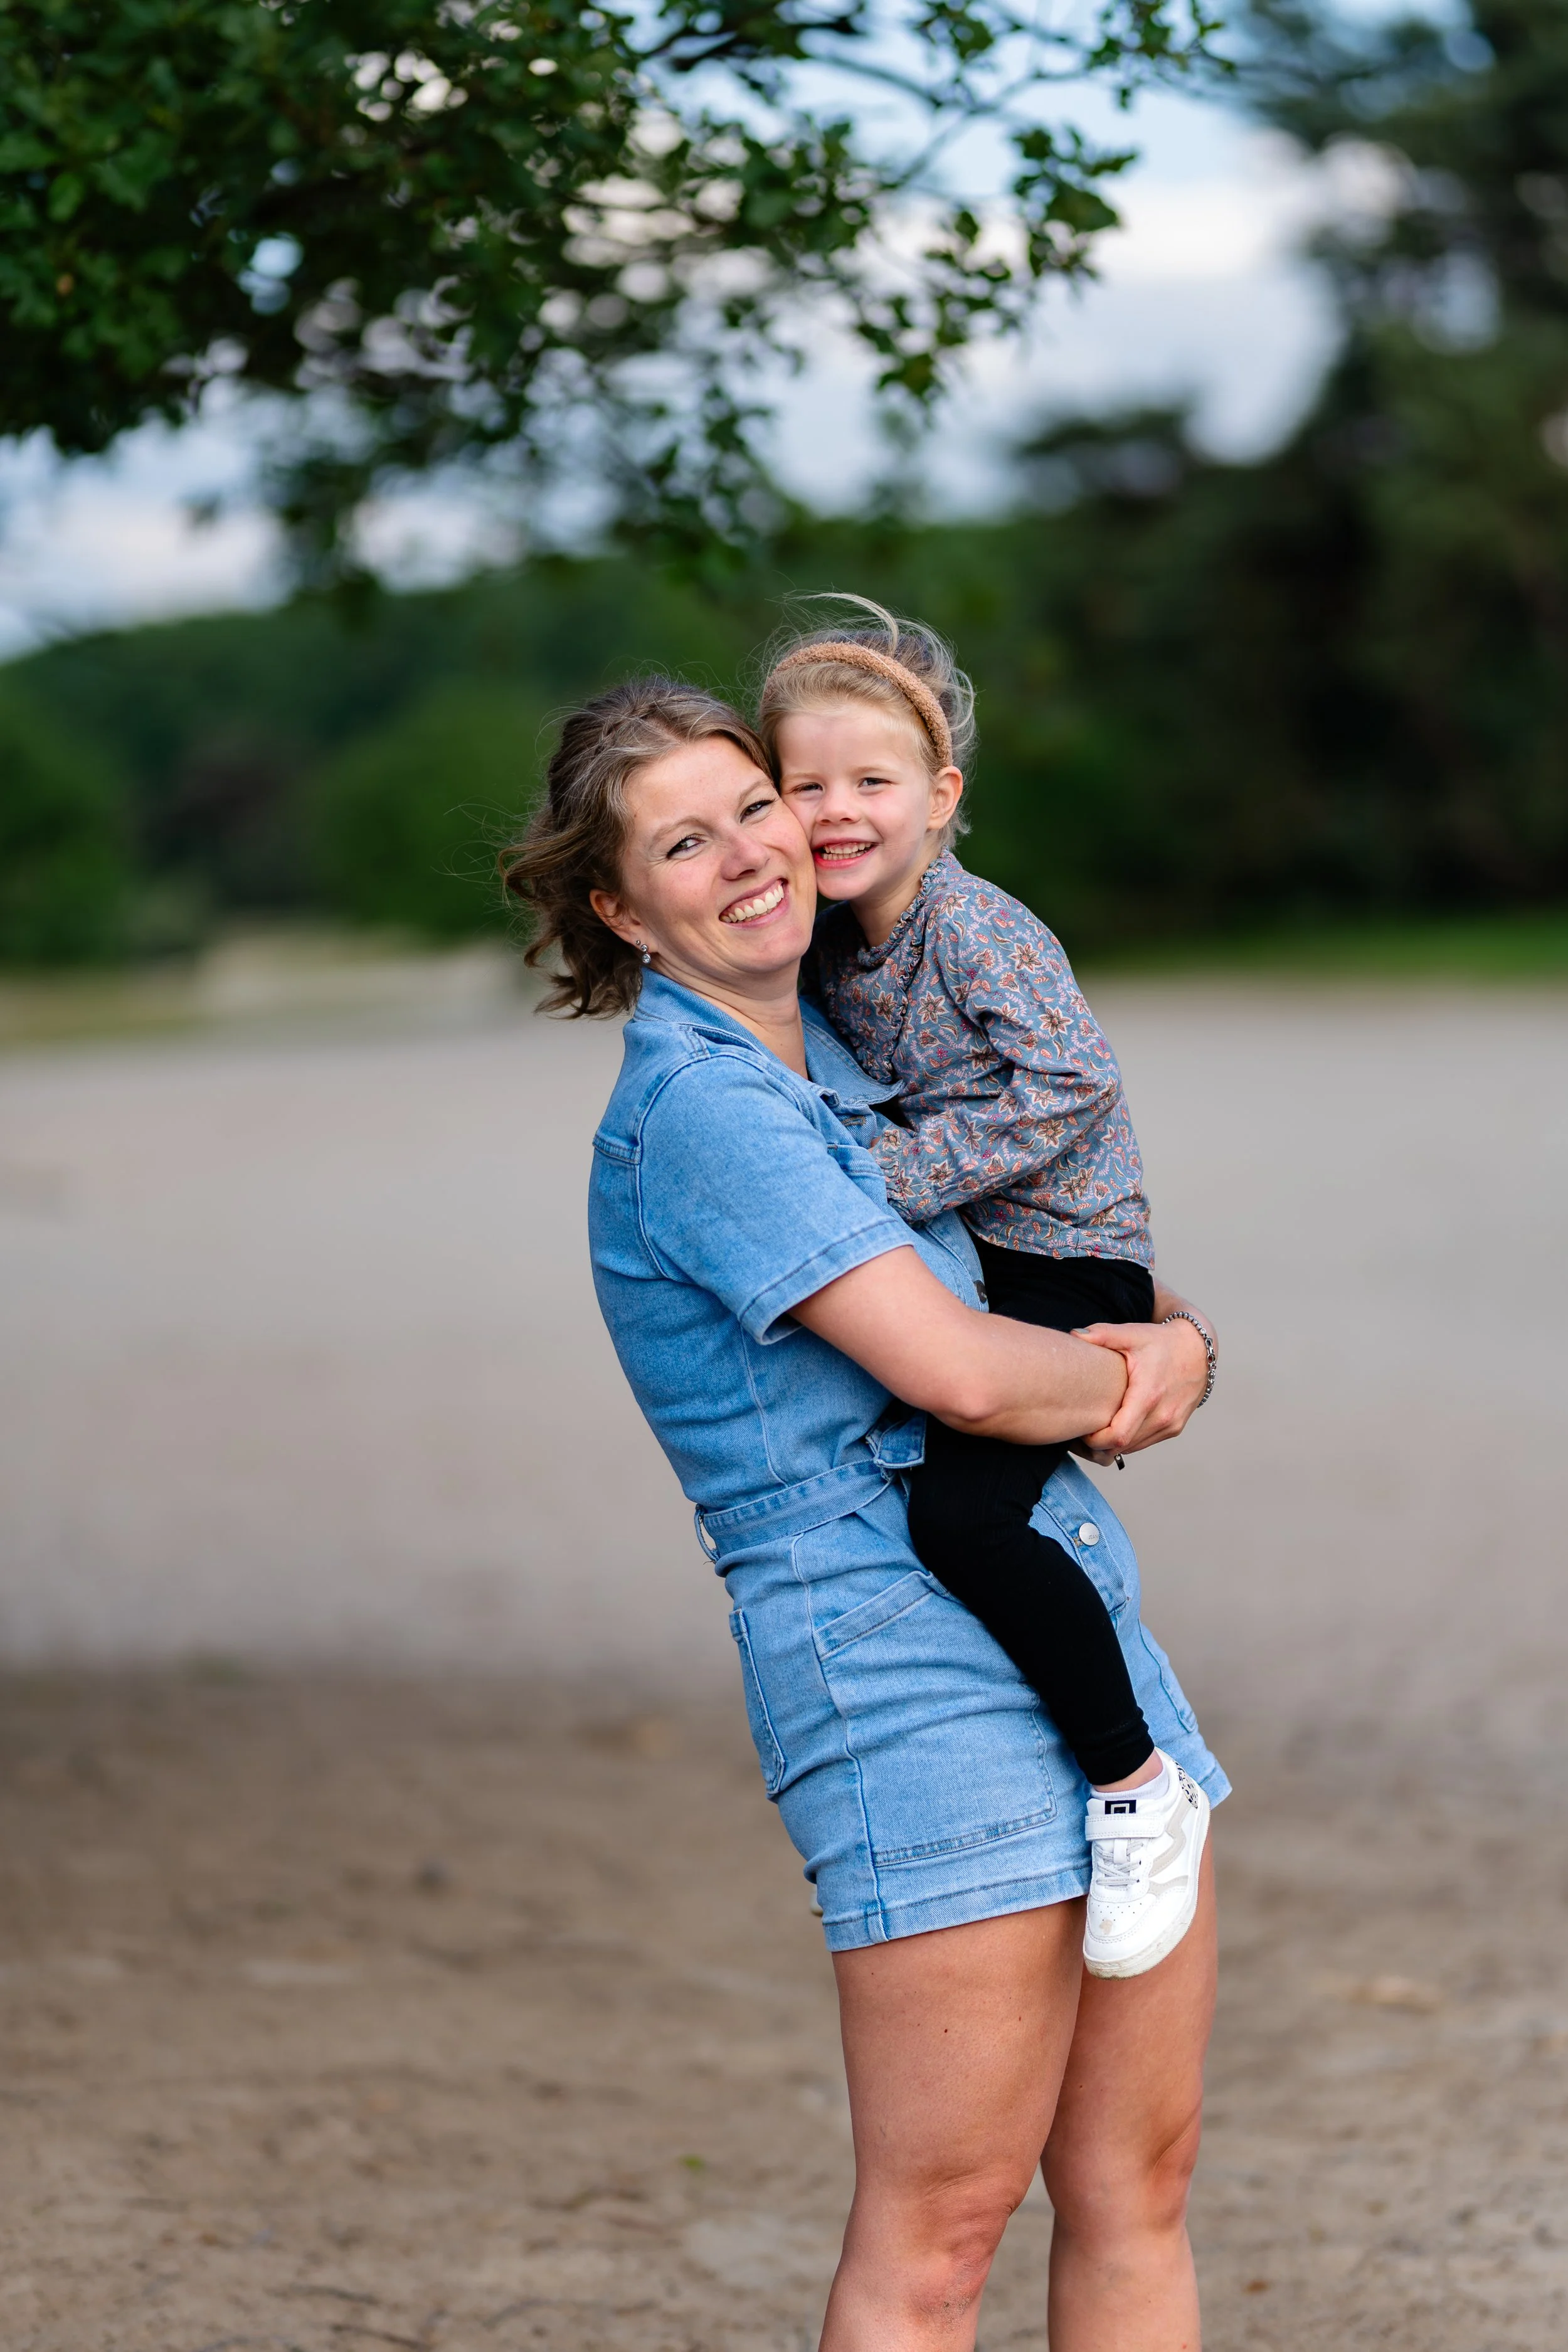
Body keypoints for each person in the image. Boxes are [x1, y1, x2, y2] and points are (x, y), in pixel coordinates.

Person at [501, 676, 1228, 2352]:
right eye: (684, 841)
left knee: (1140, 2179)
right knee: (942, 2234)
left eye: (754, 803)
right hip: (903, 1670)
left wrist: (1152, 1327)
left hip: (1072, 1613)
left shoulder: (852, 1029)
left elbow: (1036, 1244)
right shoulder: (703, 1112)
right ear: (619, 905)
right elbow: (960, 1374)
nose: (755, 852)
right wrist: (1146, 1370)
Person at [757, 597, 1214, 1979]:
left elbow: (1072, 1082)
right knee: (934, 1492)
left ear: (939, 795)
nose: (837, 811)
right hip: (979, 1248)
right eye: (803, 784)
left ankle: (1135, 1781)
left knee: (962, 1514)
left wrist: (895, 1175)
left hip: (1064, 1252)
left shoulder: (974, 927)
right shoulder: (830, 946)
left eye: (871, 783)